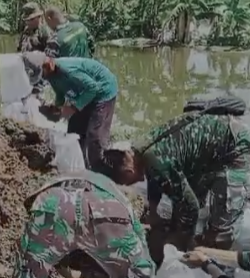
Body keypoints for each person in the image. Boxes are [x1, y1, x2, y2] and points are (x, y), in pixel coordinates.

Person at [100, 112, 250, 265]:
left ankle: (218, 261)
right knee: (189, 198)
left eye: (126, 182)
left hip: (236, 147)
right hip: (212, 146)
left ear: (128, 172)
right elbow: (155, 179)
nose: (129, 185)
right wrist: (153, 210)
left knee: (221, 226)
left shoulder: (157, 162)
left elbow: (191, 207)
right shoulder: (140, 149)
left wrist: (180, 241)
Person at [13, 170, 155, 278]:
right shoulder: (126, 207)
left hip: (51, 202)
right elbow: (143, 261)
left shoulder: (104, 184)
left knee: (29, 270)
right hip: (105, 213)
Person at [21, 51, 118, 170]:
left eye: (42, 73)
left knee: (95, 138)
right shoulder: (50, 75)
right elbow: (60, 92)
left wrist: (72, 108)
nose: (43, 77)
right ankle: (82, 164)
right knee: (74, 130)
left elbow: (93, 88)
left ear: (49, 64)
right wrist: (57, 108)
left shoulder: (69, 71)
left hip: (103, 91)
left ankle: (102, 171)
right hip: (85, 92)